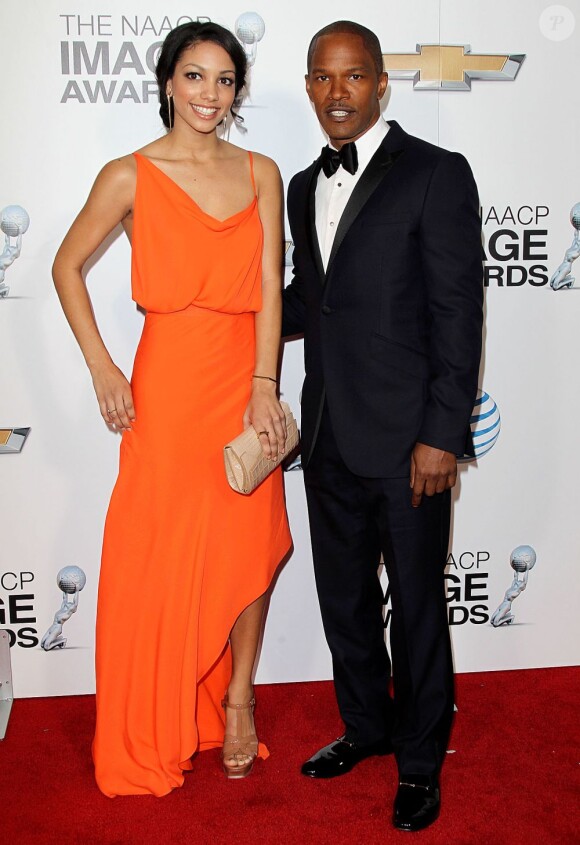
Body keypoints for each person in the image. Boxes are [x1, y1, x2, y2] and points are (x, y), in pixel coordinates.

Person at [52, 21, 291, 797]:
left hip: (242, 379)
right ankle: (157, 712)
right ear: (167, 82)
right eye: (194, 76)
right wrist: (102, 365)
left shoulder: (261, 172)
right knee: (156, 554)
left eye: (224, 80)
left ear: (237, 90)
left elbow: (269, 287)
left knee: (248, 540)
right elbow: (65, 265)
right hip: (167, 388)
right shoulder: (129, 175)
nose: (208, 94)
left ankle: (238, 699)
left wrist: (264, 382)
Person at [282, 21, 483, 832]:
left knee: (419, 607)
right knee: (345, 600)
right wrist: (218, 311)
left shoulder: (435, 173)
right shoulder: (302, 185)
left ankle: (421, 761)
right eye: (324, 78)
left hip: (409, 444)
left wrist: (442, 435)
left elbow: (458, 314)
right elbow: (310, 299)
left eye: (354, 76)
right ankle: (366, 726)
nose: (339, 93)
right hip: (328, 434)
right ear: (309, 86)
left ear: (380, 83)